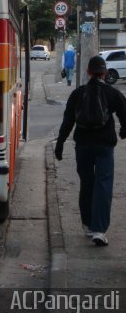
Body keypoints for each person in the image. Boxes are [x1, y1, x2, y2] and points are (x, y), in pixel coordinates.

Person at [54, 55, 126, 246]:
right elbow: (124, 114)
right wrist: (123, 130)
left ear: (88, 71)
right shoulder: (113, 93)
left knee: (87, 183)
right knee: (104, 185)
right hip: (105, 146)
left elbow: (68, 120)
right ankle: (99, 230)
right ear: (104, 72)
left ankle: (87, 224)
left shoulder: (78, 94)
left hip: (83, 146)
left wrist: (60, 143)